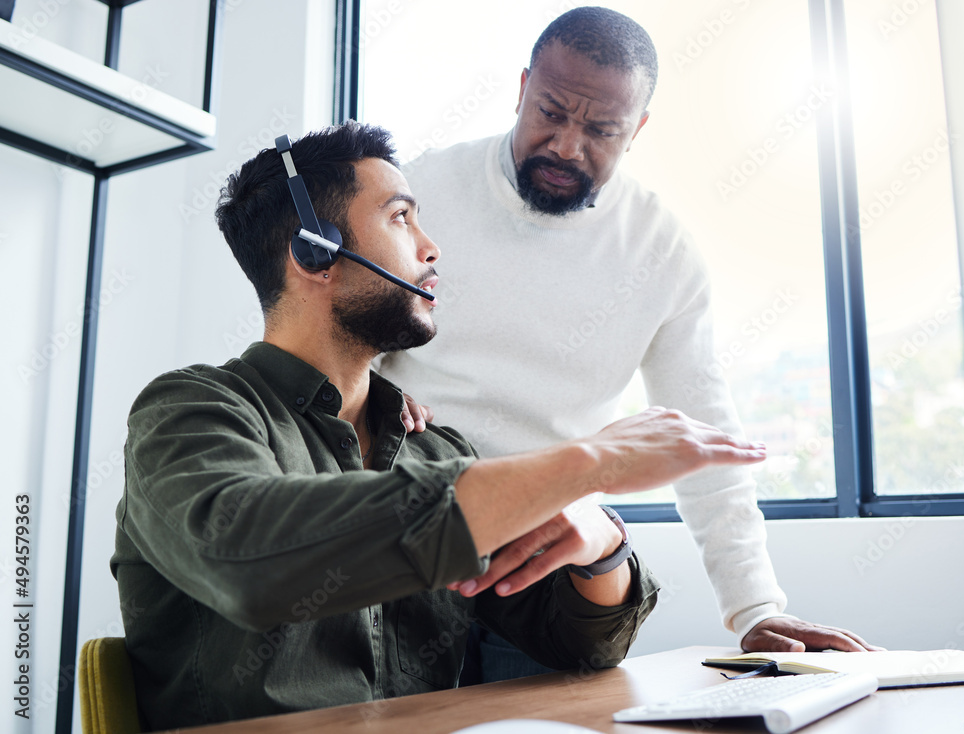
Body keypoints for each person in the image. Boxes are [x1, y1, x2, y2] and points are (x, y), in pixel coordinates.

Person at [110, 122, 770, 730]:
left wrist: (602, 541)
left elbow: (574, 642)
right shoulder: (189, 413)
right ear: (315, 252)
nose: (432, 248)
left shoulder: (434, 449)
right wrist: (588, 462)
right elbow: (248, 560)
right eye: (401, 219)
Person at [377, 7, 878, 674]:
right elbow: (337, 343)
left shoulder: (661, 251)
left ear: (637, 129)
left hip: (546, 551)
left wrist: (756, 608)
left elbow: (702, 439)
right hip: (411, 515)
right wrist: (375, 389)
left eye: (601, 130)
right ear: (522, 88)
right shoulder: (417, 193)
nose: (566, 145)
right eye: (550, 112)